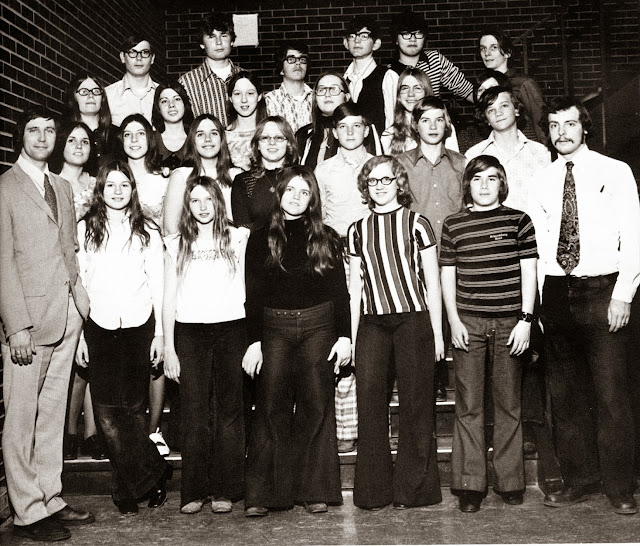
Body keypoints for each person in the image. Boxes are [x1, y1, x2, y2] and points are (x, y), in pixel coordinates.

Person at [528, 97, 640, 515]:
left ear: (585, 127)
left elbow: (634, 235)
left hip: (602, 290)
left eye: (570, 124)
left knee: (612, 395)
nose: (562, 132)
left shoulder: (615, 171)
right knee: (566, 395)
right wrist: (540, 303)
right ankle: (580, 479)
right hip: (557, 292)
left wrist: (623, 293)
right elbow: (540, 246)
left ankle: (620, 486)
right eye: (554, 125)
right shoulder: (541, 180)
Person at [0, 106, 93, 542]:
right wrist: (15, 326)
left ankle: (50, 496)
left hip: (65, 315)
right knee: (21, 419)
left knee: (52, 415)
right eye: (33, 130)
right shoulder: (5, 187)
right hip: (28, 323)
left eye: (49, 130)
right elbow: (2, 261)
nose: (42, 137)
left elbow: (68, 248)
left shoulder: (61, 186)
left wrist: (80, 302)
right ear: (20, 136)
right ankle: (27, 511)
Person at [242, 166, 351, 517]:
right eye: (290, 190)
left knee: (316, 405)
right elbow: (252, 294)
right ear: (279, 193)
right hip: (274, 327)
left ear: (312, 199)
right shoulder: (260, 237)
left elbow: (340, 292)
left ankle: (314, 490)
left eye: (304, 192)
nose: (296, 197)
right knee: (270, 405)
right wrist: (254, 341)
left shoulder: (327, 237)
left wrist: (345, 336)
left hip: (319, 326)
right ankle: (265, 494)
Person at [440, 155, 538, 512]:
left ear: (502, 184)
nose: (484, 185)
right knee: (469, 405)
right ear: (468, 184)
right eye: (478, 178)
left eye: (492, 178)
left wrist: (526, 320)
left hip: (511, 324)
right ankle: (471, 484)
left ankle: (510, 482)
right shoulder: (453, 224)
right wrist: (454, 321)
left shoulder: (519, 221)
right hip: (469, 323)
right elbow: (447, 276)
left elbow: (529, 272)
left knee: (508, 404)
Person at [76, 159, 172, 516]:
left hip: (138, 325)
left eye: (124, 185)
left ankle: (124, 488)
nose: (117, 191)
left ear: (133, 190)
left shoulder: (147, 231)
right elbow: (79, 284)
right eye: (110, 185)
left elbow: (159, 284)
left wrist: (160, 335)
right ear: (100, 190)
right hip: (98, 326)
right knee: (106, 413)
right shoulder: (85, 229)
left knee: (132, 411)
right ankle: (155, 472)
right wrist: (81, 335)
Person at [348, 155, 444, 510]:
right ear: (365, 186)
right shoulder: (356, 230)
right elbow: (354, 290)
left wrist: (438, 334)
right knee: (370, 405)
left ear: (399, 183)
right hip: (373, 324)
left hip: (413, 321)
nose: (380, 186)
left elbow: (432, 282)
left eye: (386, 179)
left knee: (416, 405)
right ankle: (373, 492)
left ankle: (414, 491)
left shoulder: (418, 224)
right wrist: (353, 339)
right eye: (373, 181)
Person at [163, 176, 249, 515]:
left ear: (218, 202)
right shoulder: (176, 244)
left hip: (231, 329)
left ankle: (226, 489)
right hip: (190, 333)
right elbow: (169, 297)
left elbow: (247, 288)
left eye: (208, 200)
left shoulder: (237, 238)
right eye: (195, 200)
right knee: (195, 412)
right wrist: (169, 348)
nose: (202, 207)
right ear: (187, 205)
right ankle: (194, 490)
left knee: (230, 412)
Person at [396, 95, 466, 403]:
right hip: (416, 258)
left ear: (447, 124)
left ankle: (457, 382)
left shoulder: (461, 164)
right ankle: (431, 379)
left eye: (439, 119)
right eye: (426, 120)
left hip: (455, 258)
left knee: (455, 318)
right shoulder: (400, 164)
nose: (433, 126)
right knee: (423, 322)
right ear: (415, 126)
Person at [314, 102, 374, 453]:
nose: (350, 132)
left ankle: (375, 422)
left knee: (372, 340)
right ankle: (346, 424)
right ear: (334, 133)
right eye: (343, 127)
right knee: (342, 337)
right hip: (337, 260)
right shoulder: (323, 170)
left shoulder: (378, 166)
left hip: (375, 259)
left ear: (366, 130)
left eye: (357, 125)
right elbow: (317, 217)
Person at [50, 121, 106, 462]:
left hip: (93, 266)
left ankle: (92, 432)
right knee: (71, 357)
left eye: (85, 141)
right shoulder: (52, 181)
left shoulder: (97, 183)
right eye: (72, 140)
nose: (79, 146)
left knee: (91, 354)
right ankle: (69, 431)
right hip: (63, 269)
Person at [465, 87, 550, 213]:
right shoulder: (475, 154)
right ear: (486, 119)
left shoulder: (540, 152)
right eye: (491, 110)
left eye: (504, 106)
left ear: (516, 110)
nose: (498, 113)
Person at [164, 114, 241, 235]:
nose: (208, 139)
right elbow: (170, 230)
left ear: (222, 139)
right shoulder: (181, 176)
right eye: (200, 134)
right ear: (192, 141)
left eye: (214, 133)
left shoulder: (236, 175)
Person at [296, 72, 381, 170]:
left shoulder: (363, 128)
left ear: (346, 97)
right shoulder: (304, 134)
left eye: (334, 89)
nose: (327, 94)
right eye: (321, 90)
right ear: (315, 98)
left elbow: (377, 168)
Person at [388, 10, 473, 102]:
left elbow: (466, 90)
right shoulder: (389, 72)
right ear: (396, 39)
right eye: (406, 34)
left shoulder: (435, 60)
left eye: (418, 33)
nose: (413, 39)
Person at [232, 115, 299, 232]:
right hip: (257, 243)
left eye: (279, 138)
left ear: (288, 144)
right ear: (257, 144)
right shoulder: (242, 181)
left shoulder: (301, 177)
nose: (272, 142)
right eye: (265, 138)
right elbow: (243, 230)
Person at [478, 28, 545, 142]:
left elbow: (540, 122)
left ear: (507, 53)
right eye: (483, 48)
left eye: (493, 48)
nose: (487, 53)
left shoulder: (523, 83)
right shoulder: (483, 85)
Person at [179, 12, 243, 124]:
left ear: (232, 41)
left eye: (223, 35)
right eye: (211, 37)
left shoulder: (246, 78)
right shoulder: (187, 83)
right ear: (202, 44)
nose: (219, 42)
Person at [381, 67, 459, 155]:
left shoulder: (442, 127)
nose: (411, 94)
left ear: (426, 92)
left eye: (417, 88)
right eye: (405, 88)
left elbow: (454, 161)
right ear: (399, 95)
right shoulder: (390, 134)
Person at [343, 16, 397, 134]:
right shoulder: (342, 80)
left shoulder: (387, 77)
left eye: (364, 36)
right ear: (346, 43)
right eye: (352, 36)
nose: (357, 41)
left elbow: (393, 123)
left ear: (376, 44)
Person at [105, 35, 158, 127]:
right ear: (122, 57)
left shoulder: (164, 95)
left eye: (145, 52)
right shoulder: (108, 95)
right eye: (132, 52)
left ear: (152, 58)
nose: (139, 58)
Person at [265, 41, 313, 133]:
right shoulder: (270, 101)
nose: (298, 63)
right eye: (291, 59)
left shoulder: (317, 98)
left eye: (302, 59)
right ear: (281, 69)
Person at [225, 70, 268, 172]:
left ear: (259, 96)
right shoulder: (223, 136)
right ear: (230, 98)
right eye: (237, 94)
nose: (244, 100)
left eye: (250, 93)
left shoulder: (270, 133)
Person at [151, 81, 194, 172]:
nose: (171, 105)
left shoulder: (196, 139)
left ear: (185, 104)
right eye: (164, 101)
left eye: (177, 99)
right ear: (158, 108)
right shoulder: (151, 140)